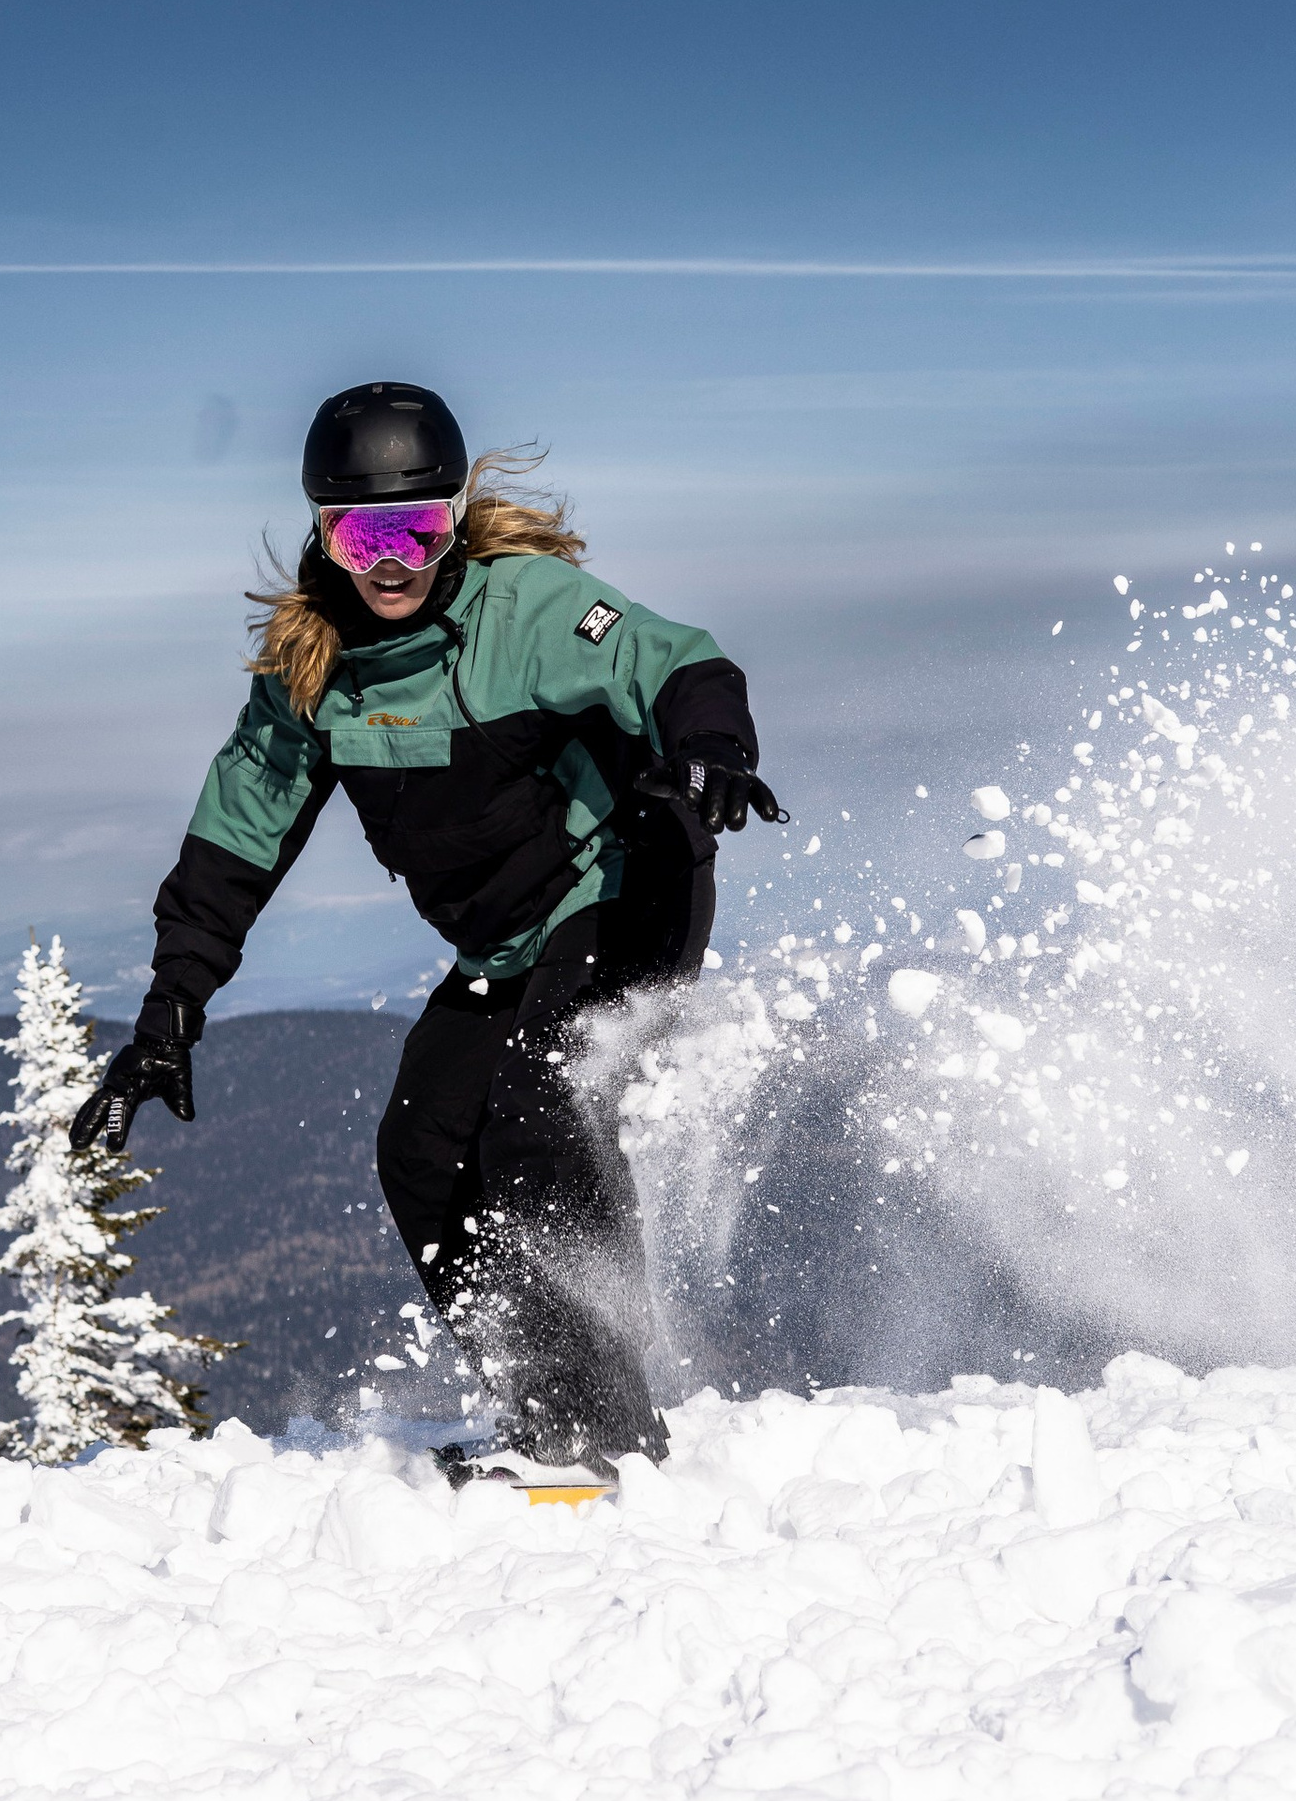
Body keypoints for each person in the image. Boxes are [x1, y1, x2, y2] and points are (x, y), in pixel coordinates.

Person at [73, 381, 780, 1480]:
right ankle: (543, 1400)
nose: (391, 560)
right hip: (506, 941)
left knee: (542, 1115)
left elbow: (673, 659)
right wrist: (171, 1007)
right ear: (322, 538)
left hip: (625, 885)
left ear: (454, 519)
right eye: (360, 534)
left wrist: (715, 747)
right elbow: (237, 837)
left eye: (417, 527)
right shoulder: (311, 673)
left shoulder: (524, 611)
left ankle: (601, 1428)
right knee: (421, 1155)